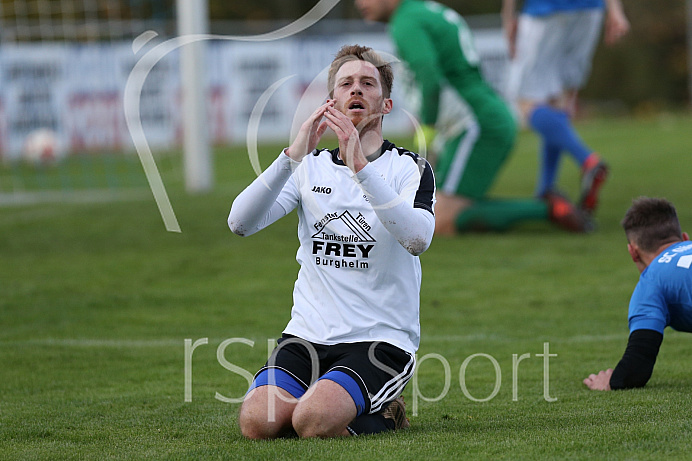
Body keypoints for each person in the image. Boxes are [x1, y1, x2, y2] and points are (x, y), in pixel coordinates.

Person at [228, 44, 435, 438]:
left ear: (386, 104)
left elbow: (417, 239)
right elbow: (239, 222)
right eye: (346, 83)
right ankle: (322, 401)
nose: (356, 89)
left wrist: (360, 168)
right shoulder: (310, 167)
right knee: (257, 423)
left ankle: (386, 412)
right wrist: (292, 154)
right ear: (331, 102)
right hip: (307, 336)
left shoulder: (410, 168)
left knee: (313, 422)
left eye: (367, 83)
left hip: (379, 341)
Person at [356, 0, 593, 234]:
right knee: (431, 204)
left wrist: (427, 129)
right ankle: (548, 206)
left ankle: (549, 209)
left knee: (441, 219)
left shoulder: (406, 20)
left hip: (475, 124)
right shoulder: (421, 11)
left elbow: (428, 75)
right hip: (474, 119)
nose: (360, 4)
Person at [502, 0, 630, 213]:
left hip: (546, 11)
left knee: (526, 104)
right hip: (590, 11)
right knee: (557, 102)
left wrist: (507, 18)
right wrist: (616, 11)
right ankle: (545, 191)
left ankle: (588, 161)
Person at [584, 197, 692, 391]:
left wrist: (610, 381)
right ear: (685, 238)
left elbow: (637, 367)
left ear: (633, 252)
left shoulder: (651, 283)